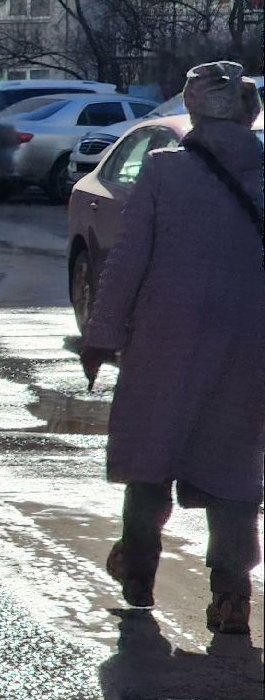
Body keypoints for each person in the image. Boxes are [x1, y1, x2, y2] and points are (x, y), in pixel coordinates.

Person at [82, 60, 264, 635]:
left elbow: (127, 263)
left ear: (190, 109)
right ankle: (232, 593)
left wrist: (101, 336)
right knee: (234, 467)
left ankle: (138, 569)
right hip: (248, 343)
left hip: (165, 339)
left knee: (151, 458)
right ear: (247, 112)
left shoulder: (164, 172)